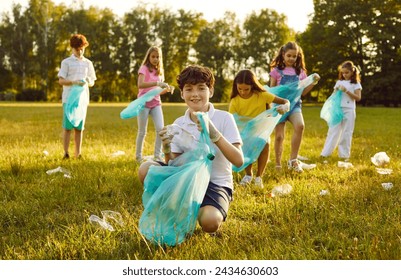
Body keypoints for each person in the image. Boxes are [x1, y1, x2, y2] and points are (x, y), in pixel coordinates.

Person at [138, 65, 244, 234]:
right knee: (146, 169)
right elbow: (173, 163)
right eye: (189, 89)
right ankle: (176, 207)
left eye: (201, 88)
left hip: (216, 184)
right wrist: (166, 148)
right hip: (186, 180)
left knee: (209, 222)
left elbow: (238, 160)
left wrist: (214, 134)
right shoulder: (179, 123)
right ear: (182, 94)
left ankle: (196, 210)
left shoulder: (224, 118)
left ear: (211, 91)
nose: (195, 94)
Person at [229, 69, 290, 188]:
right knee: (245, 147)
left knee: (265, 144)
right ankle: (248, 175)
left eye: (246, 89)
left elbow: (285, 101)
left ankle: (259, 177)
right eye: (239, 89)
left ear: (253, 86)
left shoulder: (262, 95)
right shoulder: (235, 101)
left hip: (260, 130)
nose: (243, 92)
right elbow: (232, 121)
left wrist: (285, 106)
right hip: (244, 131)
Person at [270, 41, 319, 173]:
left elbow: (302, 92)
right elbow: (272, 92)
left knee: (300, 126)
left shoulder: (300, 73)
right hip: (280, 105)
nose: (291, 59)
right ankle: (278, 163)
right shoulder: (276, 71)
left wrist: (312, 82)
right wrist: (273, 107)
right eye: (289, 55)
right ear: (283, 55)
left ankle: (293, 160)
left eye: (294, 56)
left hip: (295, 105)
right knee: (279, 136)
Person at [58, 34, 96, 159]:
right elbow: (61, 81)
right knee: (68, 127)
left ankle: (78, 153)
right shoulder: (66, 62)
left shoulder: (88, 63)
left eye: (82, 48)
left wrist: (87, 82)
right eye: (77, 49)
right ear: (72, 48)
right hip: (69, 99)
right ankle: (66, 153)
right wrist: (74, 82)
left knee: (79, 128)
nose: (80, 51)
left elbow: (92, 80)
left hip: (82, 100)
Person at [136, 46, 171, 162]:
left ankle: (157, 155)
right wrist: (156, 83)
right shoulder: (144, 68)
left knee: (160, 130)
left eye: (158, 57)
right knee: (142, 131)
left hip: (156, 103)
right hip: (143, 103)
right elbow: (140, 85)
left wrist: (167, 89)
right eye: (153, 56)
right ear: (149, 57)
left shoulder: (160, 71)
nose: (155, 59)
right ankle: (138, 157)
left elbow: (158, 91)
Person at [321, 60, 362, 160]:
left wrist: (346, 91)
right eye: (343, 73)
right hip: (338, 109)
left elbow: (358, 98)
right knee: (333, 130)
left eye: (347, 72)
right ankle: (325, 153)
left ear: (352, 72)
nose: (344, 75)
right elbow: (334, 95)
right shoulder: (339, 82)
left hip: (349, 109)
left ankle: (344, 155)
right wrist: (336, 90)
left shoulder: (355, 84)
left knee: (347, 132)